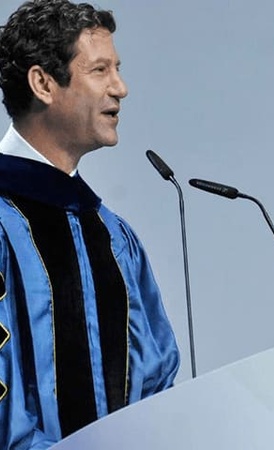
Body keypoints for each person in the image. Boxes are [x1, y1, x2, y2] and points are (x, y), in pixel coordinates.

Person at [0, 0, 180, 448]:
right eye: (100, 70)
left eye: (117, 69)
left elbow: (157, 380)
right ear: (43, 83)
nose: (121, 88)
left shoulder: (114, 236)